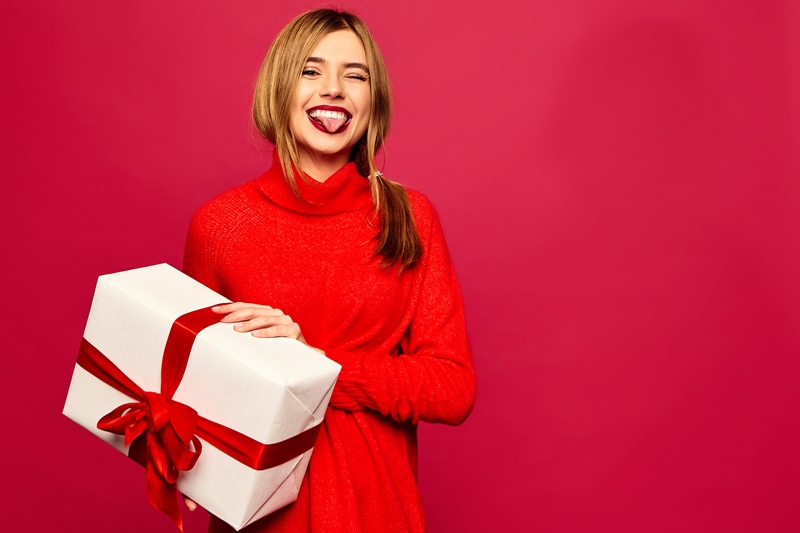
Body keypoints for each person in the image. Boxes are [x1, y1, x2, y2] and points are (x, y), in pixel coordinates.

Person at [182, 8, 476, 532]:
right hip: (260, 518)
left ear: (372, 100)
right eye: (311, 71)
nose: (335, 88)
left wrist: (315, 364)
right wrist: (182, 447)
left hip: (377, 510)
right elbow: (196, 385)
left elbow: (452, 389)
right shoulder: (219, 225)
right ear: (279, 88)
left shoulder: (409, 217)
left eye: (355, 75)